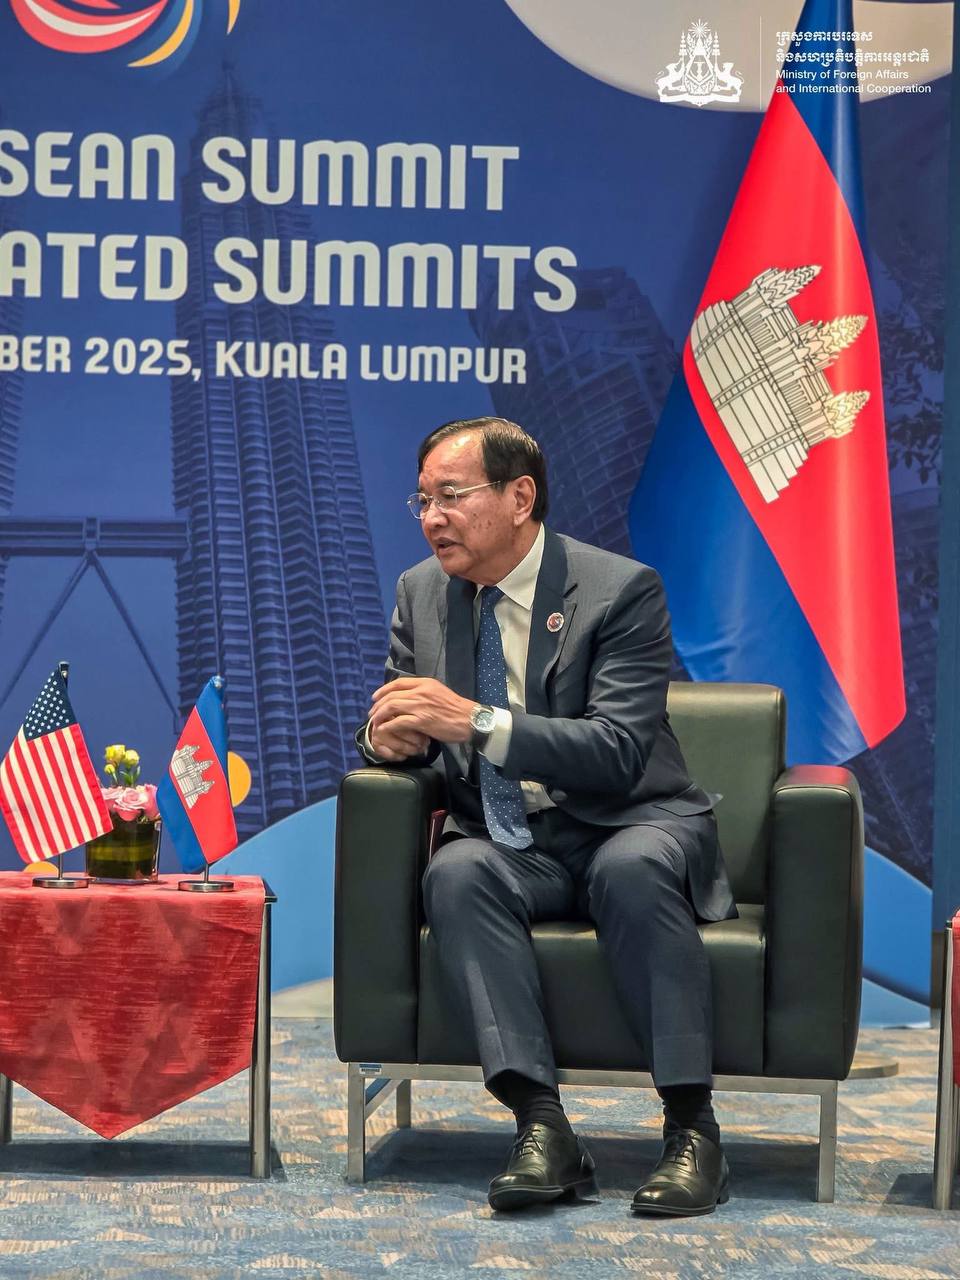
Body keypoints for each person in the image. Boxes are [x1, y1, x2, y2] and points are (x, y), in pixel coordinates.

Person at [358, 416, 736, 1216]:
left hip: (628, 820)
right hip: (507, 839)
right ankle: (542, 1126)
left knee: (633, 870)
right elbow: (405, 719)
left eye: (451, 496)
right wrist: (385, 741)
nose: (432, 519)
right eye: (422, 501)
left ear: (520, 497)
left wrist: (474, 721)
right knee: (456, 873)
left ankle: (692, 1131)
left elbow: (618, 751)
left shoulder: (619, 590)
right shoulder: (421, 593)